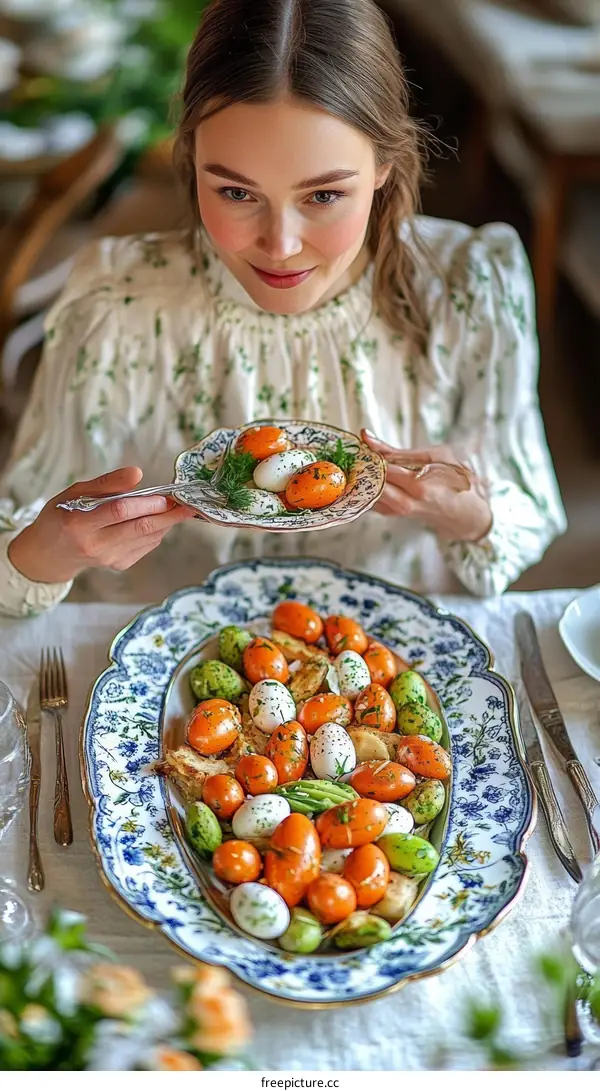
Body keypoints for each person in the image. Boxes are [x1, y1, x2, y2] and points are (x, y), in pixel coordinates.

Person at [0, 0, 566, 618]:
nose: (281, 245)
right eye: (236, 191)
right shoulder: (117, 298)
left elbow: (526, 518)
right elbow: (19, 527)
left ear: (383, 165)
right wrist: (49, 551)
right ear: (190, 162)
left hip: (385, 662)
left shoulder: (471, 285)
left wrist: (466, 514)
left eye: (323, 194)